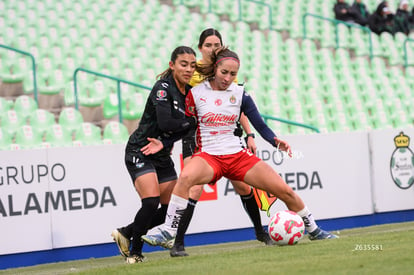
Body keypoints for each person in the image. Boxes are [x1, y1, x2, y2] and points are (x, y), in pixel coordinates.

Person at [140, 47, 338, 251]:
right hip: (209, 156)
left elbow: (259, 124)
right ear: (216, 69)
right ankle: (169, 231)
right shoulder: (196, 94)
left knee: (284, 191)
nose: (227, 78)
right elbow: (186, 126)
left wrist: (274, 141)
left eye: (233, 74)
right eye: (224, 72)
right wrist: (164, 143)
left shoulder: (240, 93)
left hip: (238, 156)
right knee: (186, 178)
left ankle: (314, 230)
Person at [169, 28, 273, 258]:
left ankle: (260, 232)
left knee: (244, 187)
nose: (213, 49)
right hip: (198, 137)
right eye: (208, 45)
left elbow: (237, 106)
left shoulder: (228, 70)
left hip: (228, 140)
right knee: (193, 187)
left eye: (217, 44)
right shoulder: (192, 71)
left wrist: (250, 134)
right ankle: (177, 242)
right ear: (200, 48)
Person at [110, 46, 198, 264]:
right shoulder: (163, 87)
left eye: (192, 65)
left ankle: (126, 232)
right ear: (172, 65)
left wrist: (167, 142)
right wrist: (193, 121)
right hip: (140, 149)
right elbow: (165, 123)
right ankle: (135, 254)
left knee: (173, 208)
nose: (188, 69)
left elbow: (181, 130)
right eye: (183, 64)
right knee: (151, 202)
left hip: (160, 152)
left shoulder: (189, 93)